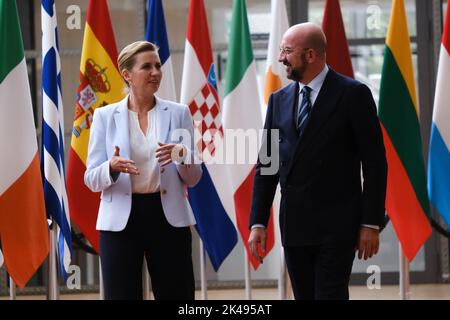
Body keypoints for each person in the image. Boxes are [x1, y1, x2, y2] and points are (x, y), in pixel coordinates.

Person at [248, 23, 387, 300]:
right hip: (295, 226)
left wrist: (370, 223)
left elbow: (375, 163)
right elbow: (268, 165)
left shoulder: (353, 94)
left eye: (287, 51)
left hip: (337, 227)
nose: (280, 58)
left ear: (310, 55)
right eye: (281, 50)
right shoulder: (278, 100)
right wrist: (258, 222)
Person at [84, 41, 202, 300]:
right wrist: (111, 168)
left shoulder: (179, 113)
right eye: (146, 66)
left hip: (168, 217)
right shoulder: (104, 116)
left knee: (177, 295)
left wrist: (182, 155)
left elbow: (193, 178)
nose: (156, 72)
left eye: (157, 66)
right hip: (121, 223)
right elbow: (91, 178)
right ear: (127, 75)